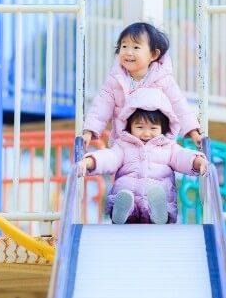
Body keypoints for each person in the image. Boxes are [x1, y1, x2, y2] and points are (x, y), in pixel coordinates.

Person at [79, 88, 207, 224]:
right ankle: (123, 211)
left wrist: (198, 162)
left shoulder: (169, 147)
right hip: (130, 198)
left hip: (157, 201)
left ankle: (158, 214)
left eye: (153, 129)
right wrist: (90, 162)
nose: (146, 134)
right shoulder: (123, 145)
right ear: (129, 125)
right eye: (140, 127)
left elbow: (183, 156)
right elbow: (109, 157)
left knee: (158, 198)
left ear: (163, 128)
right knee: (125, 195)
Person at [82, 22, 203, 148]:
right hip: (124, 145)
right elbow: (101, 107)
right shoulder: (115, 80)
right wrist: (89, 131)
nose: (128, 52)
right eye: (124, 46)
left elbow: (180, 106)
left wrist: (193, 131)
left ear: (153, 55)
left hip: (158, 145)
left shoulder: (163, 79)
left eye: (136, 47)